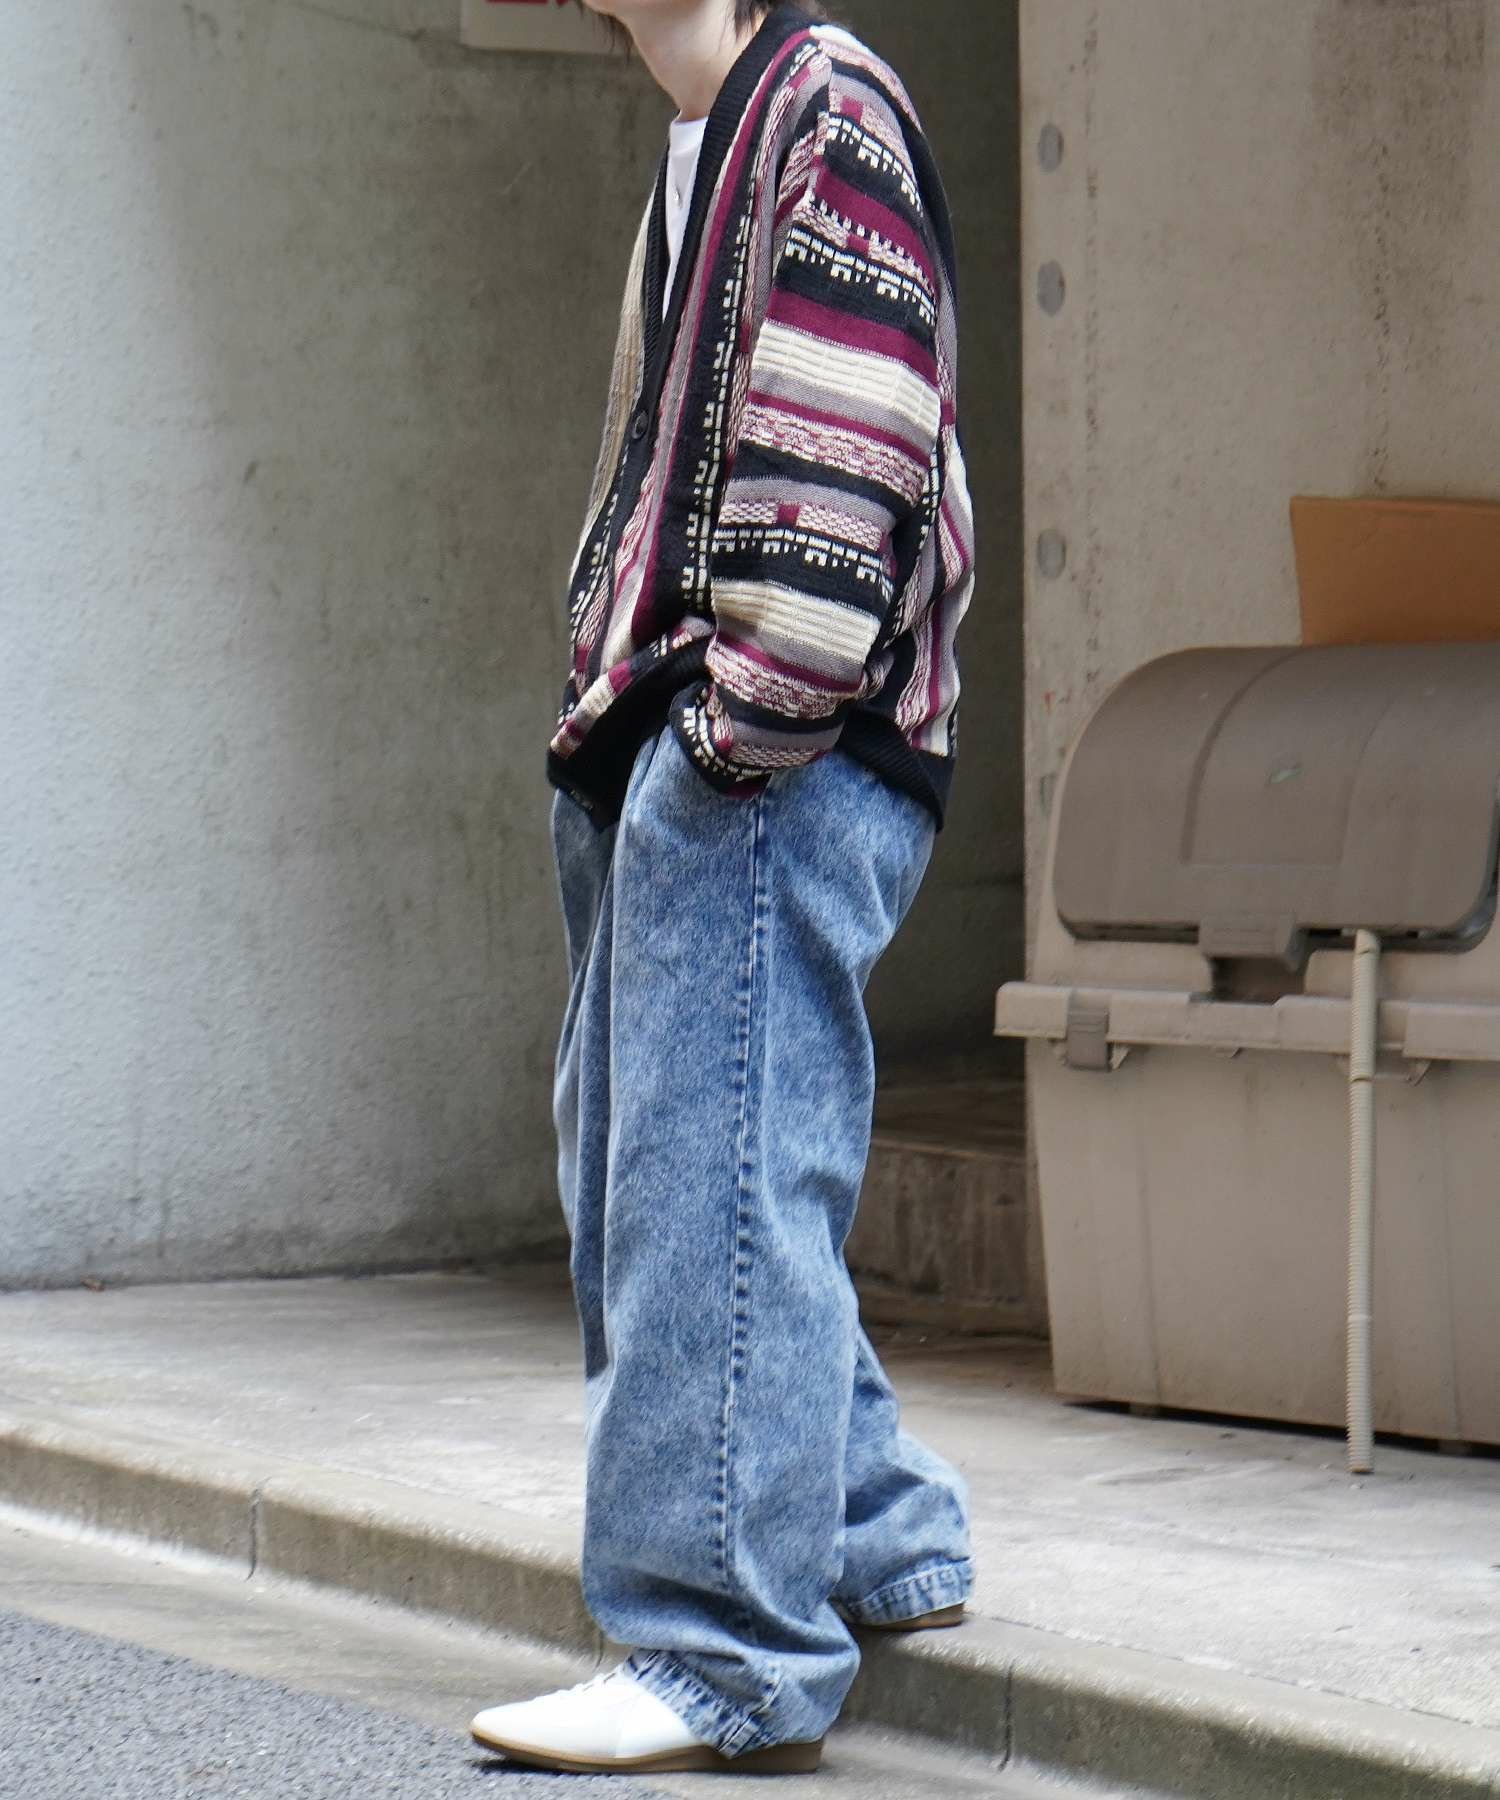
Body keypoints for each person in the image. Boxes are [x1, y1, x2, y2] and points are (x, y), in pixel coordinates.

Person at [470, 0, 976, 1775]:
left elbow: (856, 446)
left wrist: (731, 737)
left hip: (768, 761)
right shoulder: (714, 130)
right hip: (696, 757)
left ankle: (723, 1648)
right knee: (678, 1165)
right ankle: (875, 1529)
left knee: (709, 1180)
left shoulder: (823, 102)